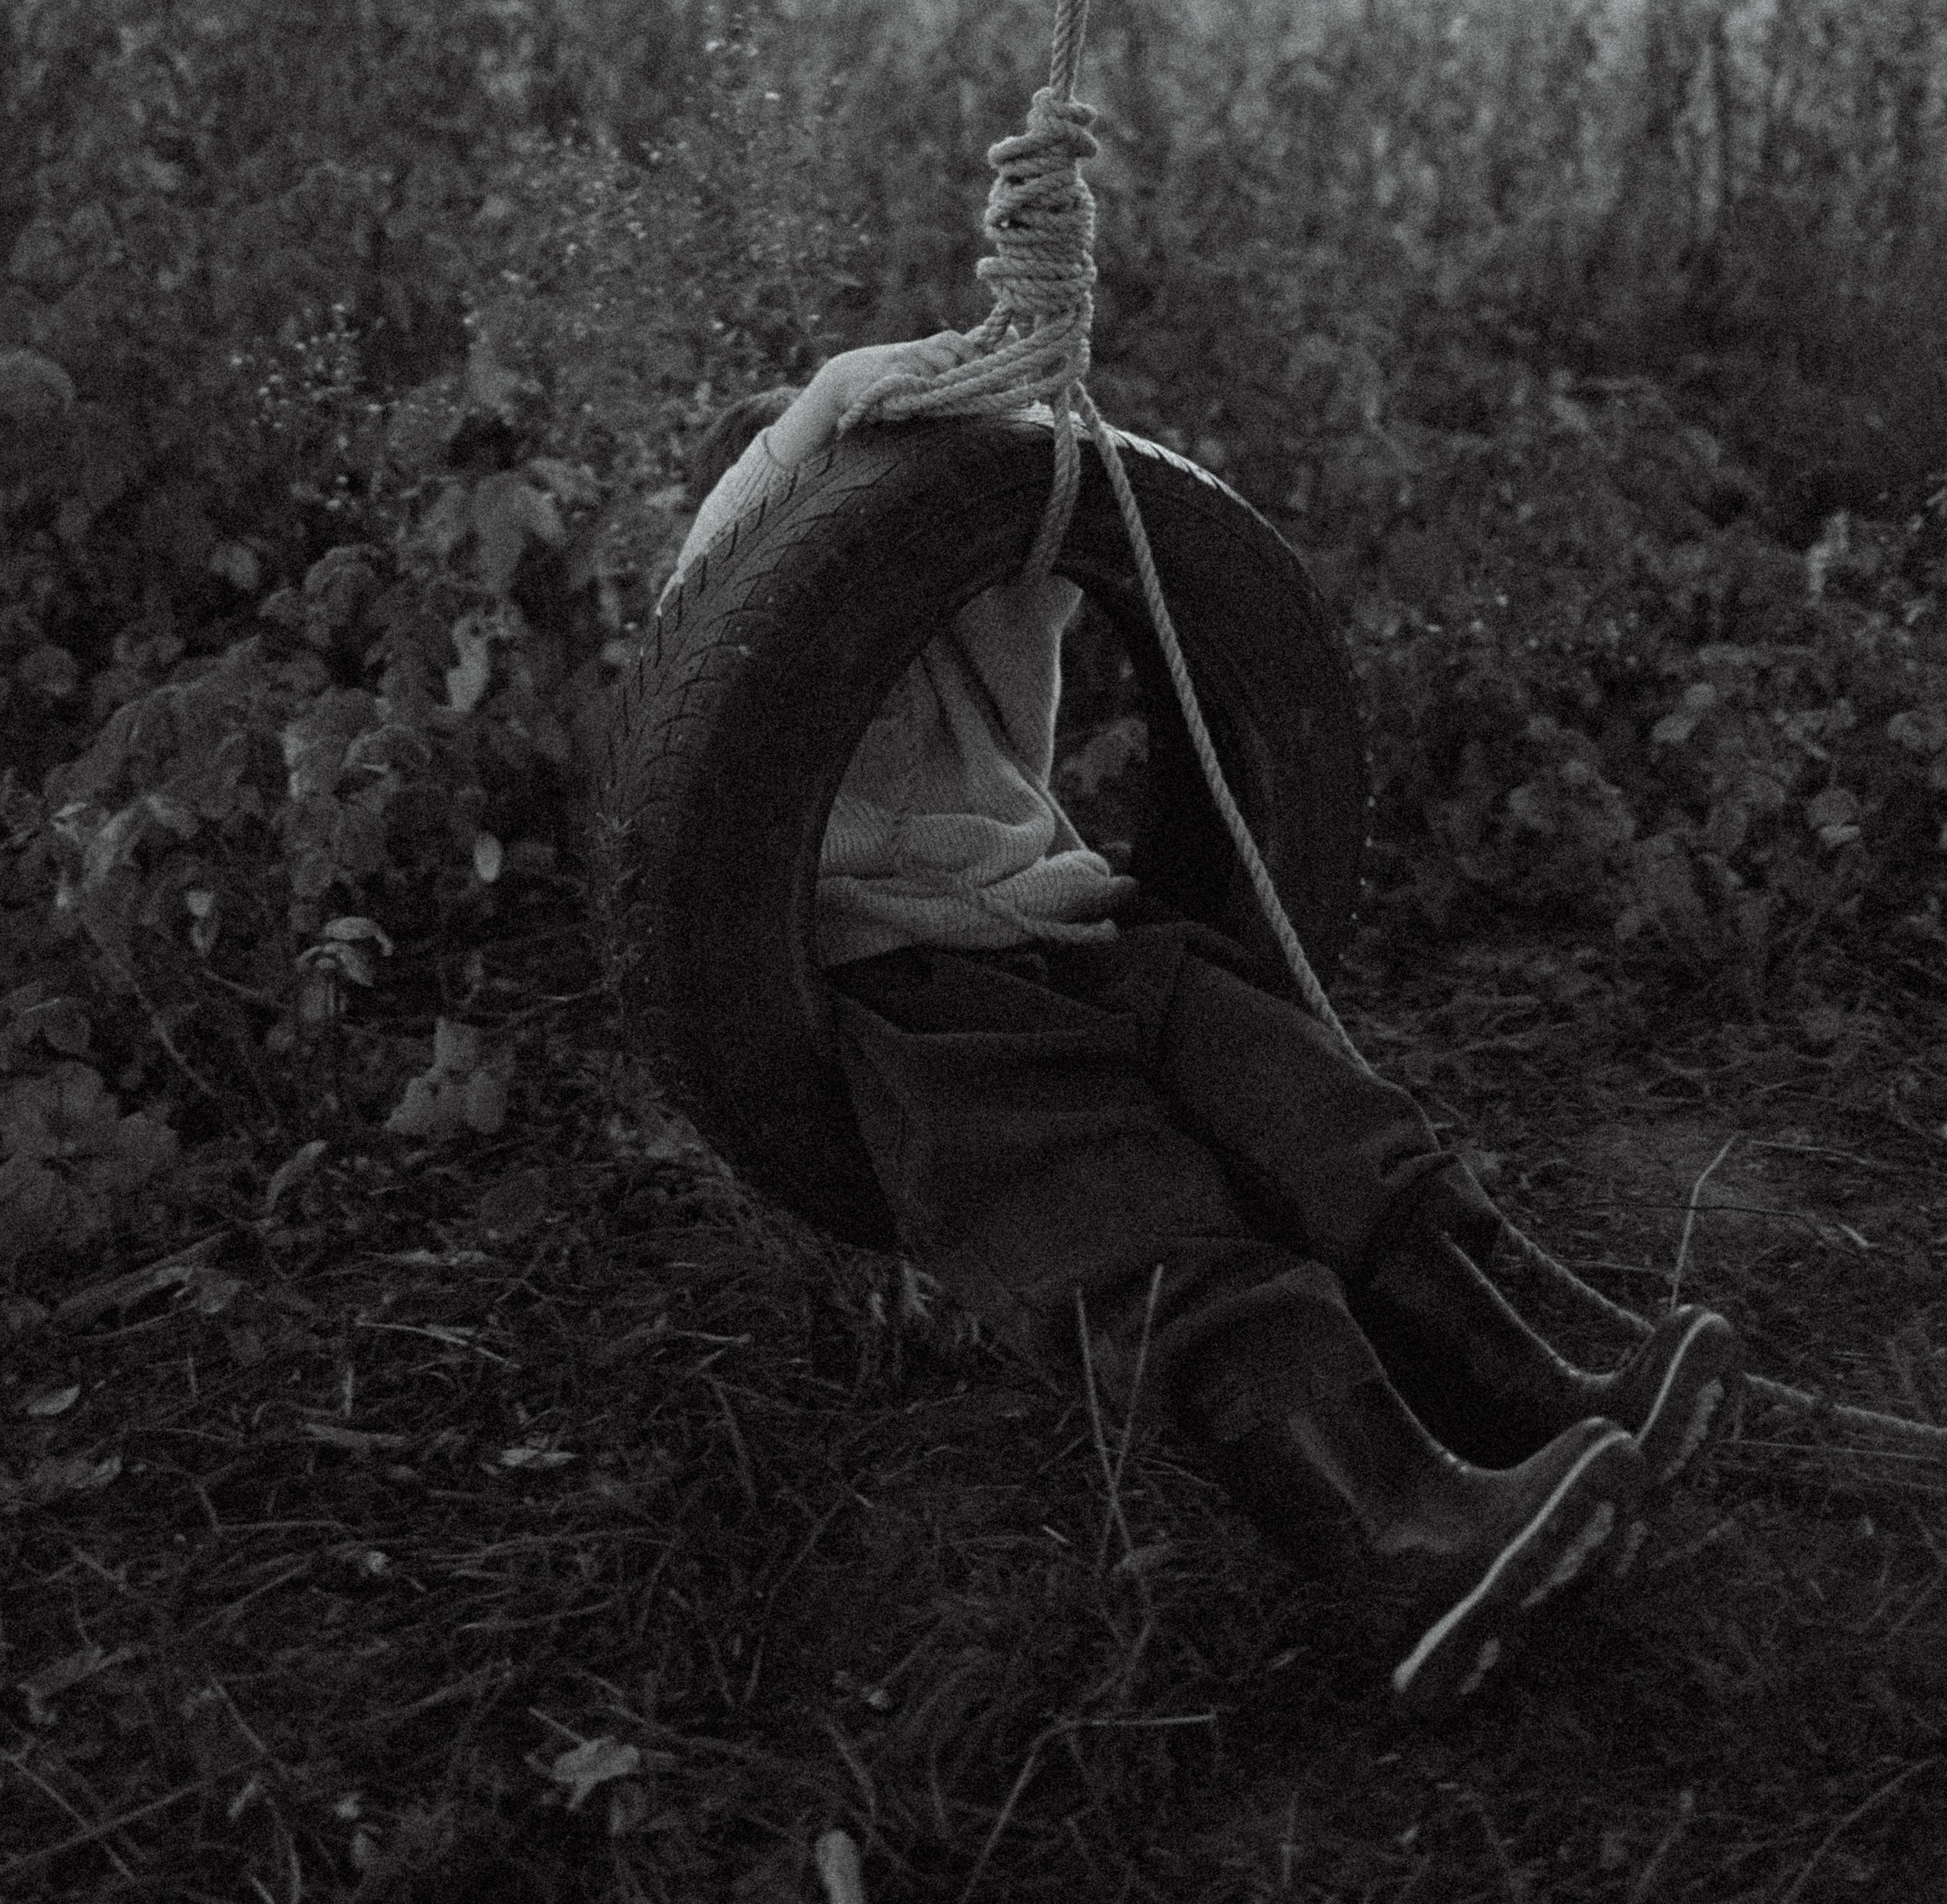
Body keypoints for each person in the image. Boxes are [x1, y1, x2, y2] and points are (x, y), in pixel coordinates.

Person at [665, 338, 1743, 1719]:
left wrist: (1001, 390)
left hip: (1082, 926)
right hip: (915, 998)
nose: (853, 538)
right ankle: (1401, 1537)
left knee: (1313, 1108)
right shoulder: (723, 668)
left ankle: (1532, 1392)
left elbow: (1043, 521)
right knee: (1134, 1220)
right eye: (819, 514)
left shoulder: (964, 625)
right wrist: (819, 413)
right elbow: (718, 573)